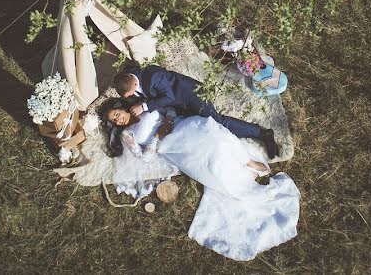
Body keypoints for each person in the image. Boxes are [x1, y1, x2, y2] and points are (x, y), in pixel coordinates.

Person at [100, 101, 300, 261]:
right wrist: (158, 136)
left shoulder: (141, 108)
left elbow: (168, 107)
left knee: (217, 136)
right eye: (114, 121)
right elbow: (144, 157)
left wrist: (167, 119)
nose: (118, 120)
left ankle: (246, 160)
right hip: (172, 144)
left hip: (184, 125)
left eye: (117, 115)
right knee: (211, 160)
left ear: (122, 108)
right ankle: (240, 175)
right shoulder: (127, 134)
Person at [113, 64, 280, 159]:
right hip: (180, 106)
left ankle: (261, 133)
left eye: (130, 94)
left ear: (134, 85)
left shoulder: (153, 77)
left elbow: (169, 97)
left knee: (216, 121)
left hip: (192, 95)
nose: (131, 97)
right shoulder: (130, 76)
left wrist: (144, 106)